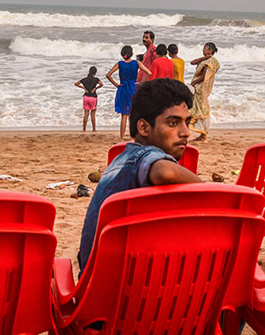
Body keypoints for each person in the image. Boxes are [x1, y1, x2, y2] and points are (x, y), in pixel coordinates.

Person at [78, 78, 201, 270]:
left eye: (187, 122)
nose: (185, 132)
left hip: (98, 282)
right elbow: (164, 171)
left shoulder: (119, 160)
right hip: (116, 283)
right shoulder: (142, 156)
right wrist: (212, 192)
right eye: (173, 123)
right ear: (144, 128)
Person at [107, 46, 151, 141]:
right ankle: (132, 138)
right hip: (133, 88)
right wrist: (141, 83)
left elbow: (108, 75)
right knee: (132, 114)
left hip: (123, 89)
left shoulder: (120, 64)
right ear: (131, 53)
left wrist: (116, 85)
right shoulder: (137, 63)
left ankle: (121, 138)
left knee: (124, 115)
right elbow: (149, 73)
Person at [189, 42, 220, 142]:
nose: (203, 50)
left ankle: (203, 135)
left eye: (205, 48)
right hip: (199, 89)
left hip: (200, 89)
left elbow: (204, 76)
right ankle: (202, 135)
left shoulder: (211, 62)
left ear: (210, 50)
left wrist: (194, 83)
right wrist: (203, 58)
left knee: (200, 110)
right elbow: (192, 62)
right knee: (199, 109)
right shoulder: (205, 60)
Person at [74, 66, 103, 132]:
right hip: (93, 97)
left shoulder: (84, 79)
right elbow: (101, 84)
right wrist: (95, 88)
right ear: (95, 72)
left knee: (86, 114)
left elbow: (76, 83)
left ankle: (84, 129)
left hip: (86, 97)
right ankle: (94, 129)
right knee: (93, 114)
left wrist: (84, 88)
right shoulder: (96, 79)